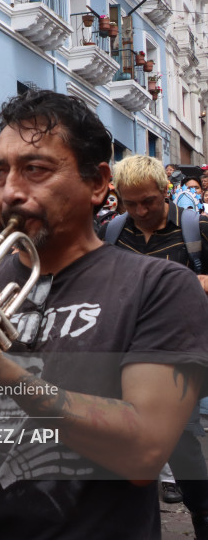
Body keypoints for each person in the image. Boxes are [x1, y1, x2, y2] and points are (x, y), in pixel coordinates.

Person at [0, 90, 208, 539]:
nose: (10, 192)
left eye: (36, 169)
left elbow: (144, 454)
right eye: (1, 173)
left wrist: (9, 376)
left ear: (99, 183)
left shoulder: (159, 287)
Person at [100, 154, 208, 537]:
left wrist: (196, 284)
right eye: (130, 203)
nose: (140, 210)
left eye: (148, 201)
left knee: (180, 439)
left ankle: (203, 515)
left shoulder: (197, 228)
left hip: (179, 352)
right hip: (123, 352)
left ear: (166, 192)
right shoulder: (112, 232)